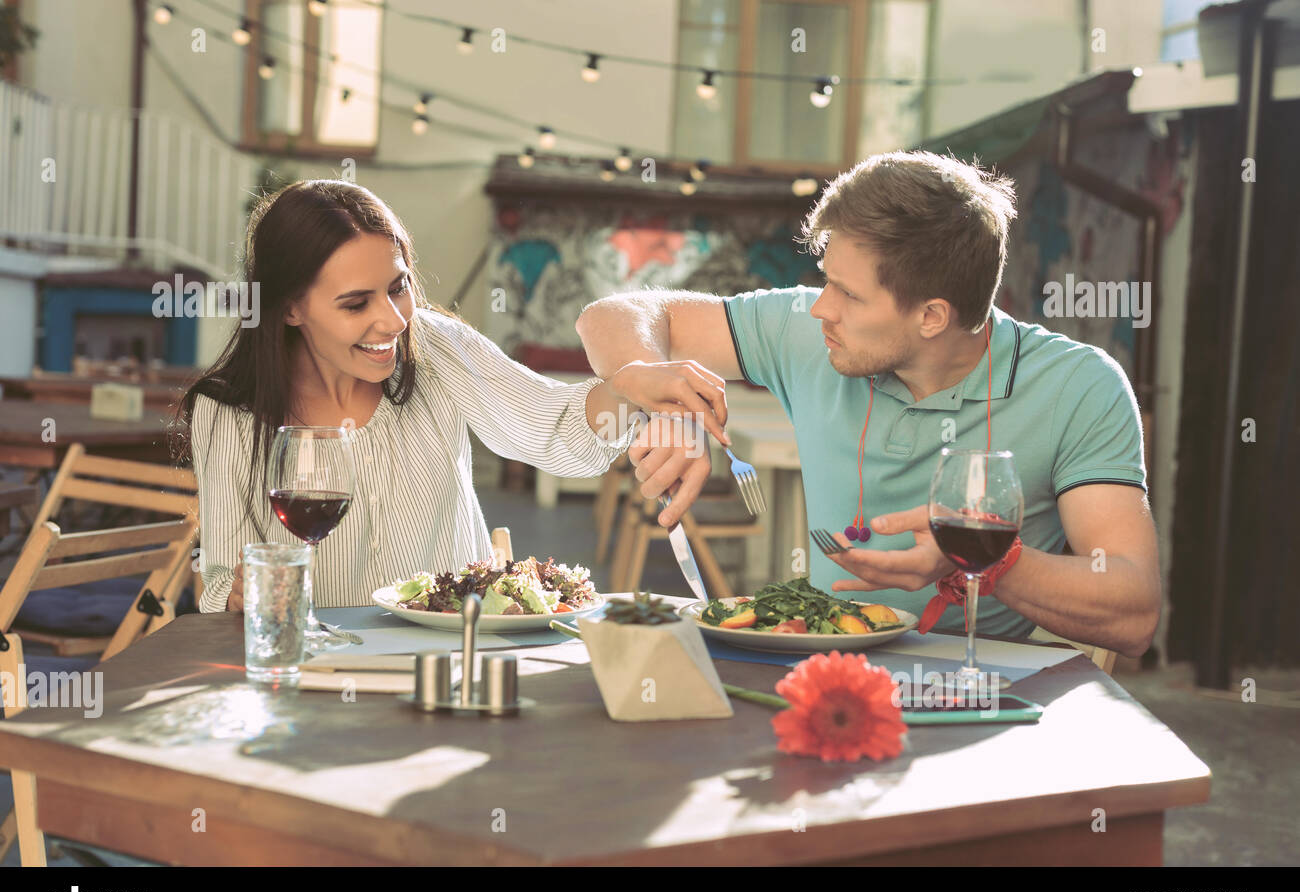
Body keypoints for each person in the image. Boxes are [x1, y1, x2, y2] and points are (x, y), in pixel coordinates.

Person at [576, 151, 1161, 656]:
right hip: (821, 669)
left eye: (850, 295)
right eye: (826, 280)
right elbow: (618, 314)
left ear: (932, 316)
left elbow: (1134, 612)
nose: (820, 309)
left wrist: (982, 558)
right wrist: (655, 384)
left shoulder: (1078, 386)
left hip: (982, 697)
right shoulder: (809, 331)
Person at [174, 180, 726, 612]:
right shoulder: (227, 413)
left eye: (398, 288)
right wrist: (240, 593)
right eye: (354, 303)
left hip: (449, 658)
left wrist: (630, 386)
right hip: (317, 675)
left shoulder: (435, 348)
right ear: (290, 308)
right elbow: (219, 576)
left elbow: (557, 435)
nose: (392, 320)